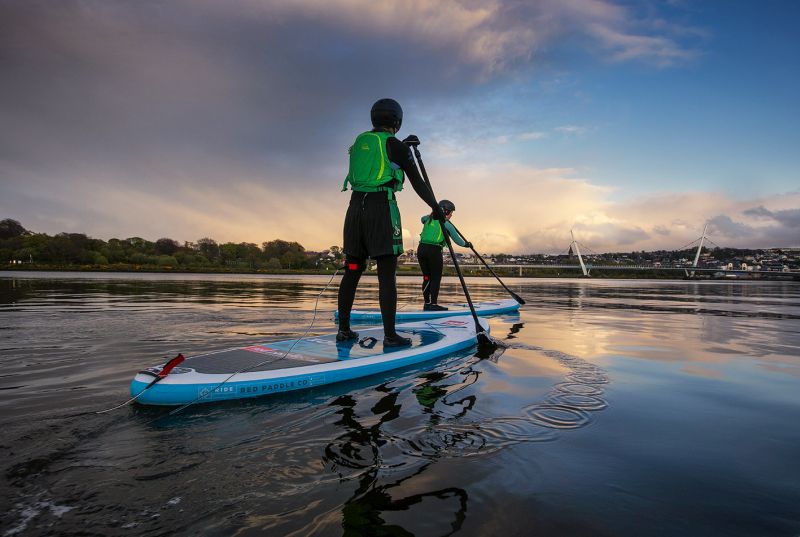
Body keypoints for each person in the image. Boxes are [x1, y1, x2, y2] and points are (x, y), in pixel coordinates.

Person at [337, 98, 444, 347]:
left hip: (354, 210)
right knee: (386, 275)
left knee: (352, 270)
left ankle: (343, 329)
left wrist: (402, 149)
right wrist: (435, 207)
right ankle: (390, 336)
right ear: (397, 121)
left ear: (374, 119)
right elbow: (418, 182)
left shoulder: (360, 142)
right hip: (380, 209)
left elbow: (382, 159)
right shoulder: (395, 145)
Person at [417, 200, 472, 310]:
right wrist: (467, 244)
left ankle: (427, 303)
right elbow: (458, 240)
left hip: (421, 249)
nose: (451, 215)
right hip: (434, 251)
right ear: (445, 211)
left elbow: (422, 219)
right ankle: (433, 305)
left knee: (427, 277)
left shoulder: (428, 219)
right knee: (436, 278)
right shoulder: (447, 224)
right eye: (451, 213)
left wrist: (435, 215)